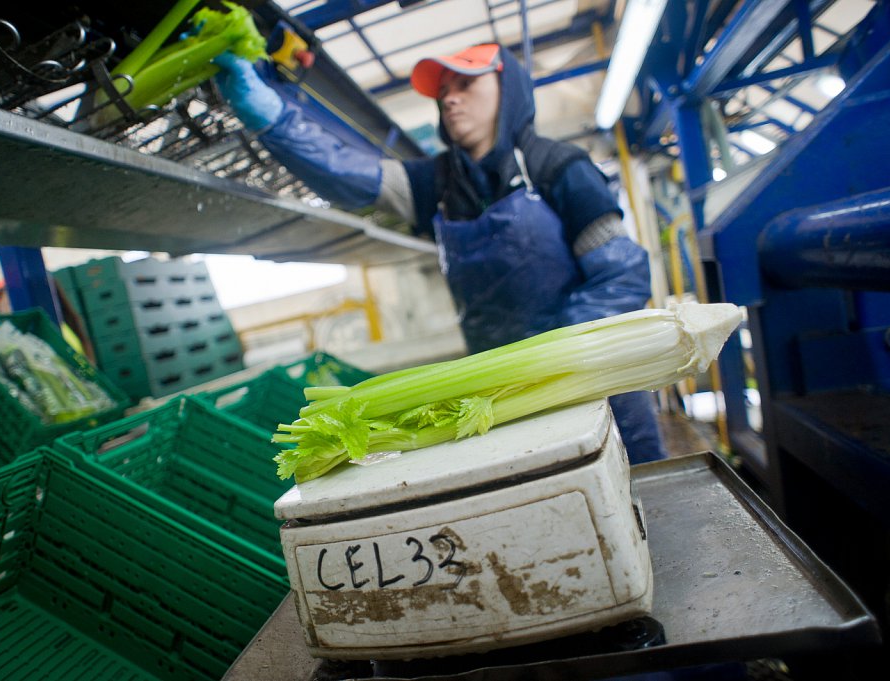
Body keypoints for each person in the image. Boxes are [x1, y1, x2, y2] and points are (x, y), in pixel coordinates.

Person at [212, 43, 668, 464]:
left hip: (594, 385)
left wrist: (557, 357)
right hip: (503, 401)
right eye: (444, 91)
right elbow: (347, 172)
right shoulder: (435, 185)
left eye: (466, 84)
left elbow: (621, 273)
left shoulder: (557, 167)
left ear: (508, 90)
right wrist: (272, 117)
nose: (450, 99)